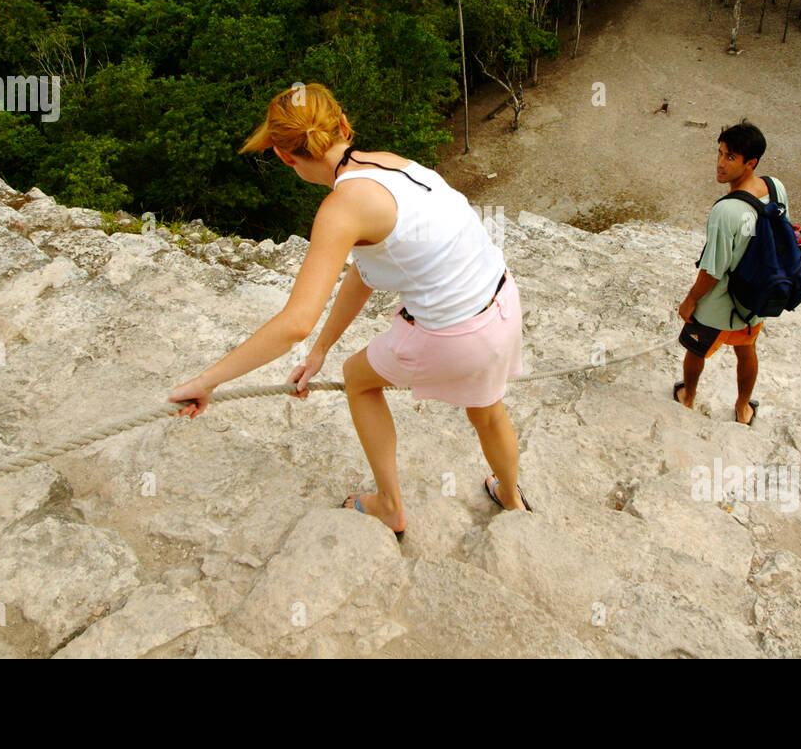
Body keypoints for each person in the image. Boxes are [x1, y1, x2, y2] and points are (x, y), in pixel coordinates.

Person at [167, 84, 530, 537]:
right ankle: (512, 500)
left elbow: (294, 322)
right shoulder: (395, 165)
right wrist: (320, 350)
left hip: (455, 338)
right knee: (487, 411)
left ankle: (389, 506)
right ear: (343, 125)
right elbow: (364, 270)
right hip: (502, 305)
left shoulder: (341, 208)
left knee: (358, 380)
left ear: (284, 156)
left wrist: (208, 382)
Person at [675, 120, 788, 427]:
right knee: (746, 348)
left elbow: (712, 270)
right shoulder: (776, 188)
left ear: (750, 163)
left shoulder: (725, 211)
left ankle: (688, 396)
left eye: (730, 157)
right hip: (755, 298)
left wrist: (689, 301)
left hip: (718, 306)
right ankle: (742, 408)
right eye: (720, 153)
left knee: (695, 348)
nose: (720, 163)